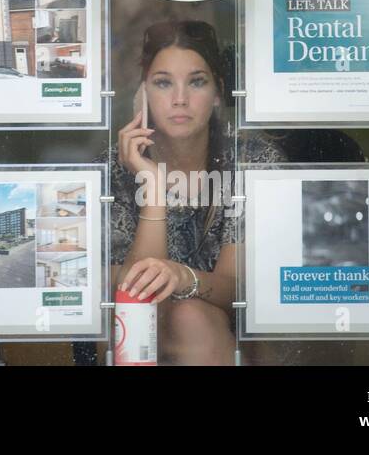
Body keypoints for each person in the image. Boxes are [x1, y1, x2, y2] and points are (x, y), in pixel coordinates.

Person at [109, 19, 284, 365]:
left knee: (192, 318)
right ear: (141, 94)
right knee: (183, 318)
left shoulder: (250, 159)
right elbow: (132, 300)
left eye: (197, 82)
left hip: (236, 337)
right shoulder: (116, 168)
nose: (179, 99)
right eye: (162, 83)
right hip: (144, 337)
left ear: (218, 92)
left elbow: (240, 288)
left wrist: (181, 277)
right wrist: (152, 187)